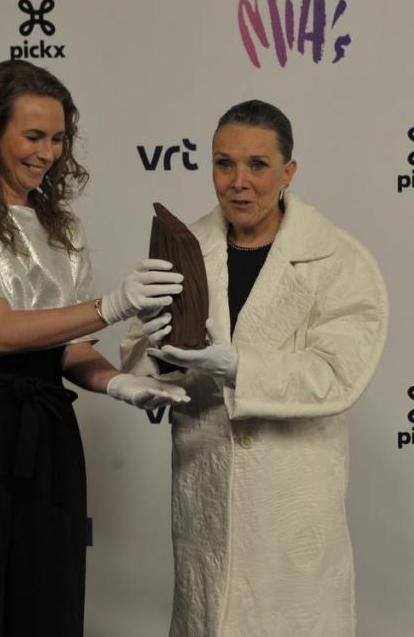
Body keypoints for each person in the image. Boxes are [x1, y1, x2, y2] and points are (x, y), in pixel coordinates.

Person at [0, 59, 189, 637]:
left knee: (47, 601)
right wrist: (113, 305)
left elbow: (69, 348)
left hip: (47, 427)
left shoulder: (63, 227)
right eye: (33, 136)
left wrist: (121, 383)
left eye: (58, 139)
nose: (48, 153)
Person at [121, 100, 389, 636]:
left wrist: (241, 367)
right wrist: (152, 344)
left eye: (258, 165)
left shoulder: (337, 259)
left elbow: (338, 376)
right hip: (206, 499)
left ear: (288, 172)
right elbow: (140, 364)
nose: (238, 181)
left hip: (292, 509)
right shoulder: (185, 249)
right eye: (224, 164)